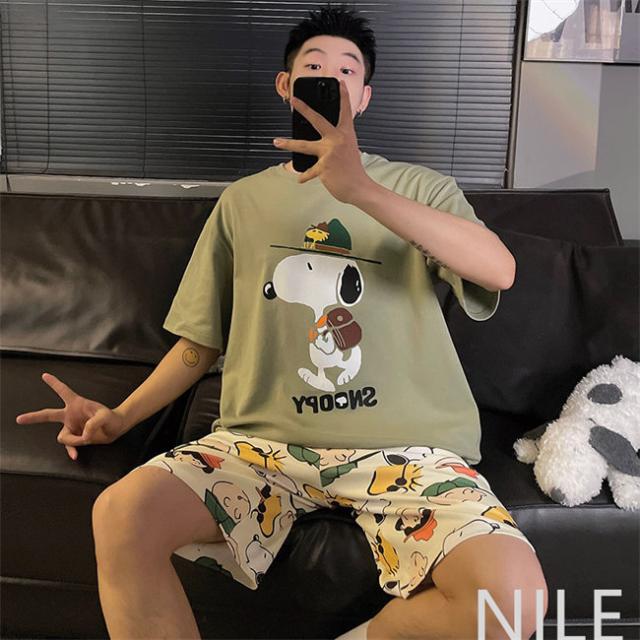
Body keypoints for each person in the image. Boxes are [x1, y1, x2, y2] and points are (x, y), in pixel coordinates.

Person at [15, 3, 549, 639]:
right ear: (286, 85)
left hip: (410, 453)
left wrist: (360, 190)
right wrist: (120, 418)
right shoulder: (243, 202)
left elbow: (499, 270)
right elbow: (198, 343)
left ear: (365, 96)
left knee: (512, 601)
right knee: (121, 514)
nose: (330, 78)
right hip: (260, 449)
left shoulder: (420, 187)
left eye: (346, 71)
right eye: (313, 67)